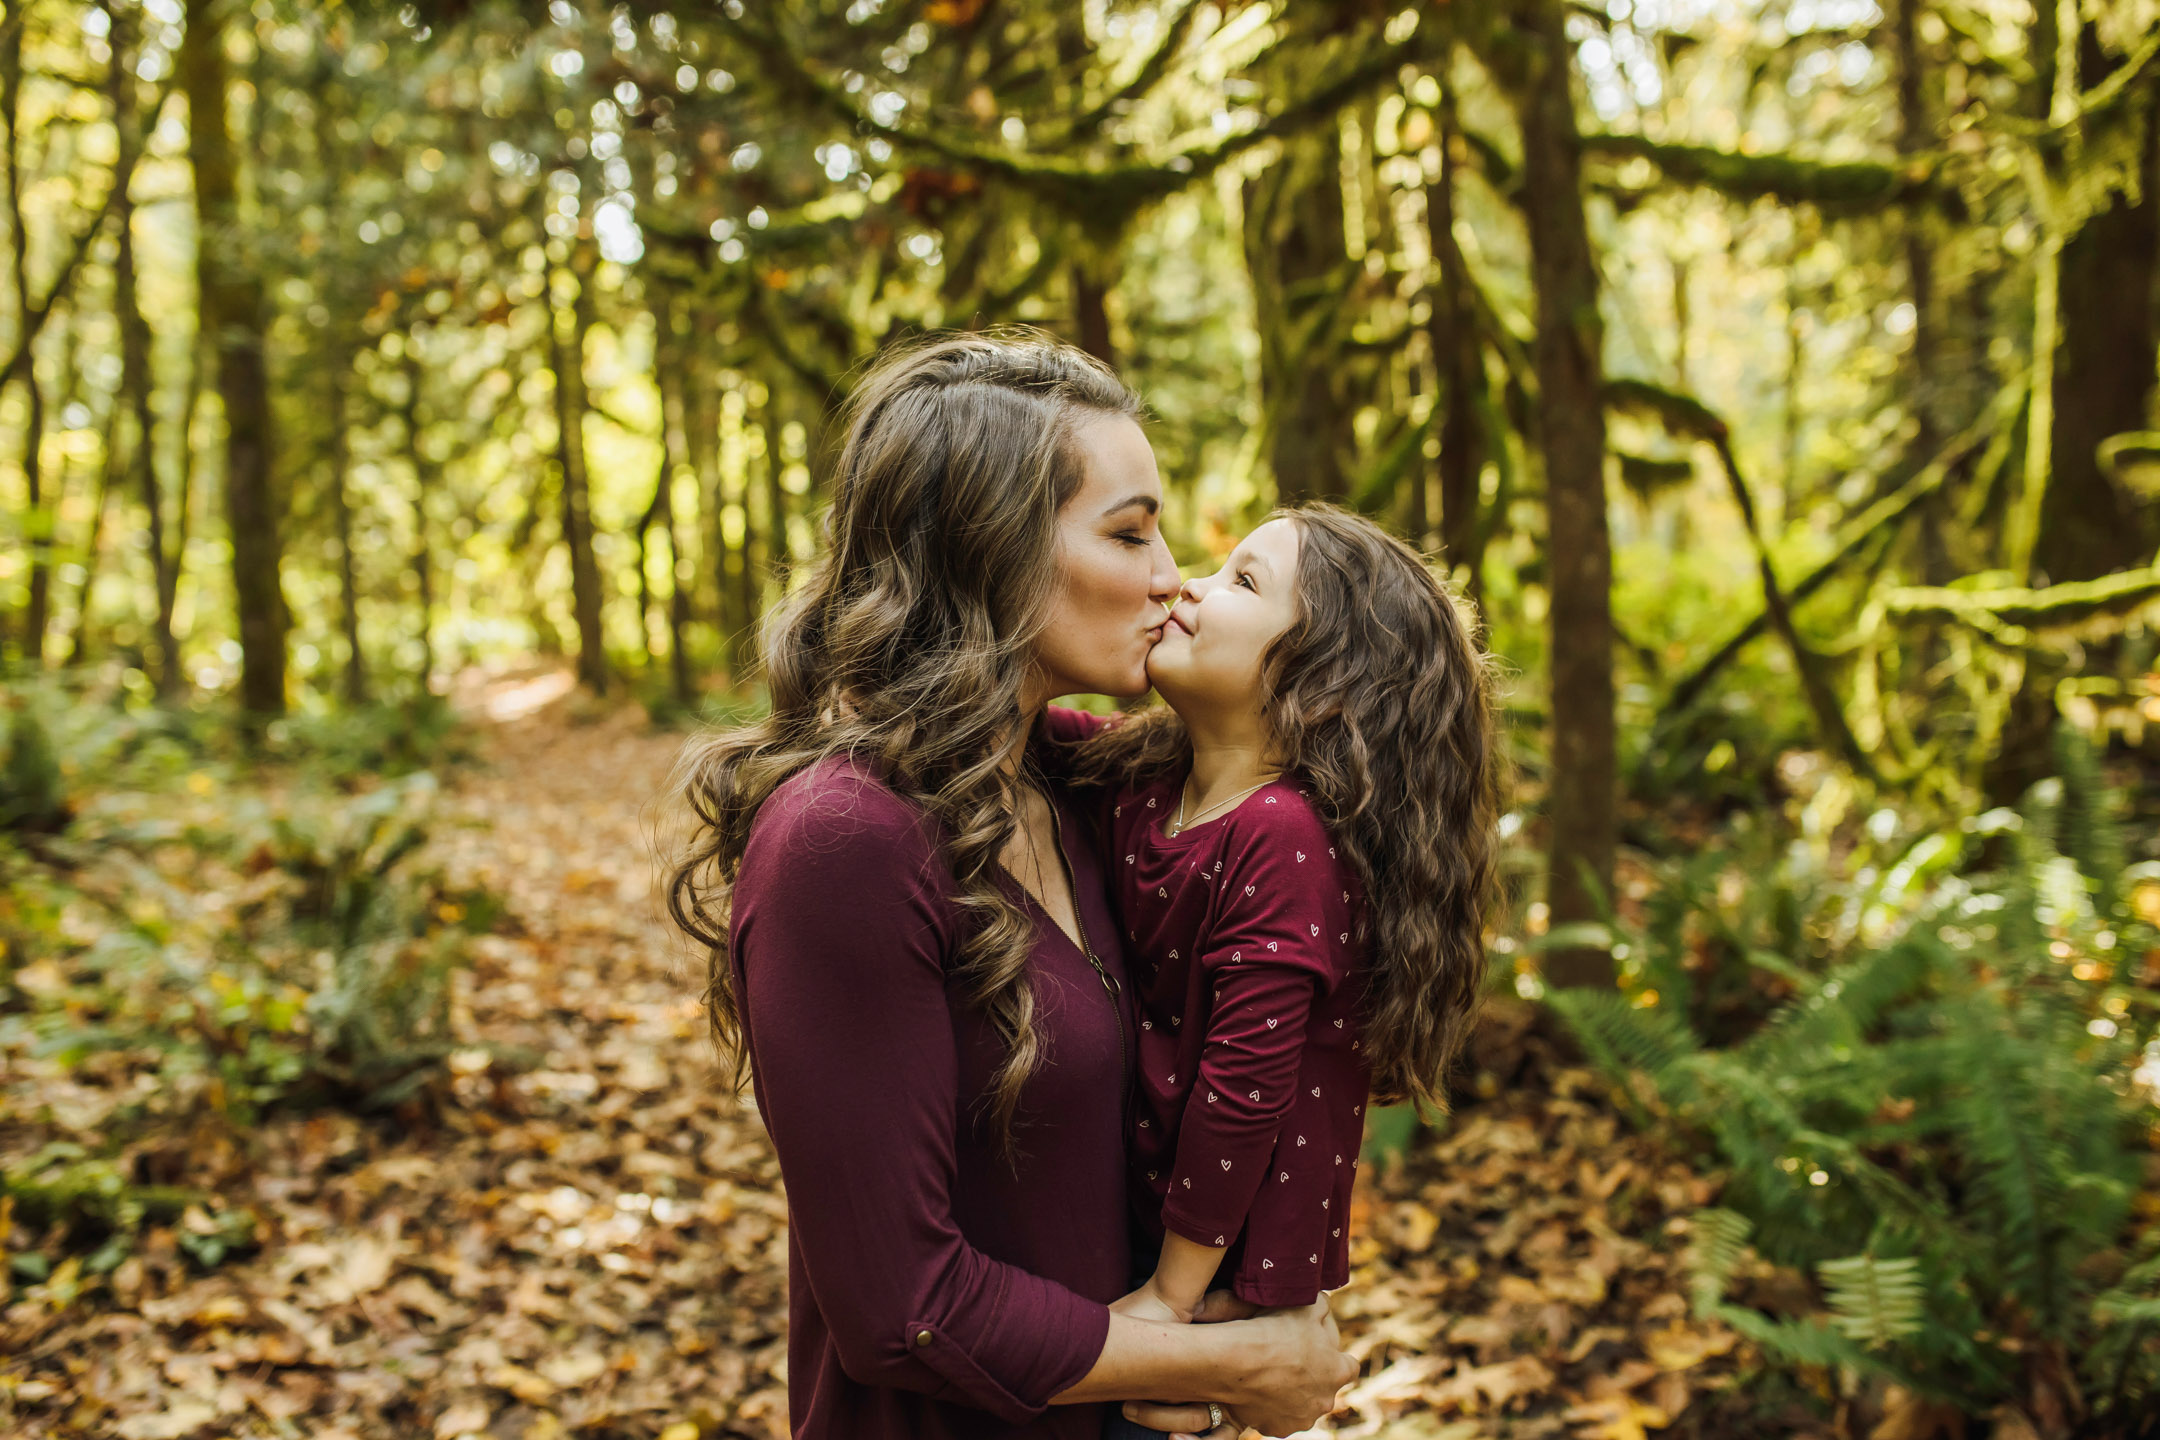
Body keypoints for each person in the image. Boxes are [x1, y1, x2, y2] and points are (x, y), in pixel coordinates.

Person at [666, 332, 1358, 1440]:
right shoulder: (843, 844)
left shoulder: (1072, 786)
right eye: (1130, 532)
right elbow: (903, 1309)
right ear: (992, 553)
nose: (1171, 575)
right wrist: (1237, 1361)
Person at [1045, 506, 1500, 1437]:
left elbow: (1242, 1093)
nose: (1187, 586)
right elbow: (1030, 730)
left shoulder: (1284, 838)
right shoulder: (1151, 779)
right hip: (1139, 1214)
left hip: (1219, 1265)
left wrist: (1171, 1306)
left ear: (1324, 686)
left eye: (1243, 582)